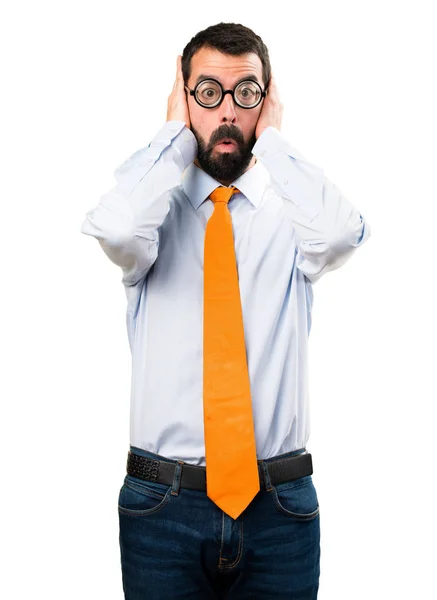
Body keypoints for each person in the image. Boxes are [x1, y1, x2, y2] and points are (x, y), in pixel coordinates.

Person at [80, 22, 370, 600]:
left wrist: (275, 142)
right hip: (161, 506)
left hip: (279, 507)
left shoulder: (292, 221)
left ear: (268, 104)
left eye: (246, 94)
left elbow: (343, 234)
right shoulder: (150, 222)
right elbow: (111, 226)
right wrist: (174, 137)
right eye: (208, 93)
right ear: (183, 99)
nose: (229, 113)